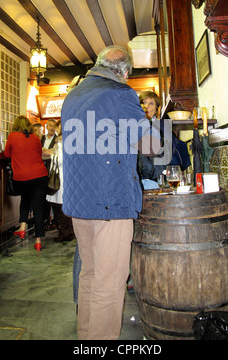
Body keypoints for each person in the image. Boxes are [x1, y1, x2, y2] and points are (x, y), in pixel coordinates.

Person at [61, 45, 161, 340]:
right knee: (110, 281)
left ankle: (86, 339)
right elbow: (151, 146)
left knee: (90, 274)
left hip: (80, 203)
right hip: (111, 201)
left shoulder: (73, 96)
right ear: (126, 72)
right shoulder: (121, 94)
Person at [4, 116, 48, 251]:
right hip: (40, 175)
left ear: (16, 125)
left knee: (25, 198)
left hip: (22, 177)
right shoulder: (35, 138)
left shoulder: (12, 136)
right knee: (38, 207)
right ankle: (39, 241)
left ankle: (23, 226)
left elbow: (6, 154)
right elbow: (39, 153)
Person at [138, 91, 191, 183]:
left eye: (151, 103)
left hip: (161, 176)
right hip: (141, 177)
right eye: (143, 103)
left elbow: (171, 149)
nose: (146, 107)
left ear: (157, 109)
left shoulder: (162, 126)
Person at [45, 120, 75, 242]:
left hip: (61, 176)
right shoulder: (71, 139)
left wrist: (51, 154)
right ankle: (69, 231)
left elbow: (61, 160)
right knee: (66, 204)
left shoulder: (61, 141)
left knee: (61, 205)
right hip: (68, 175)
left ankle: (64, 232)